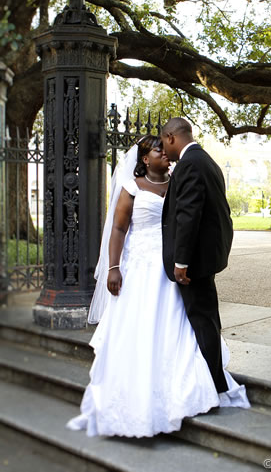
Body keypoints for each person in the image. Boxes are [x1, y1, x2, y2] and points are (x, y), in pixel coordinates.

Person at [66, 134, 249, 438]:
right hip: (140, 268)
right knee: (142, 327)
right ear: (144, 159)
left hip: (173, 268)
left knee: (180, 325)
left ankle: (188, 386)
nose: (165, 154)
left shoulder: (178, 179)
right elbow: (119, 229)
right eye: (157, 151)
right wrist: (113, 268)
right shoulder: (132, 188)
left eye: (165, 149)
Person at [161, 118, 234, 394]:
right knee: (209, 317)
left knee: (202, 320)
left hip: (196, 261)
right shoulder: (206, 160)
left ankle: (214, 384)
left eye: (163, 143)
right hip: (208, 255)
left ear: (171, 137)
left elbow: (188, 215)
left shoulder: (189, 163)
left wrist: (181, 262)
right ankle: (216, 379)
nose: (164, 151)